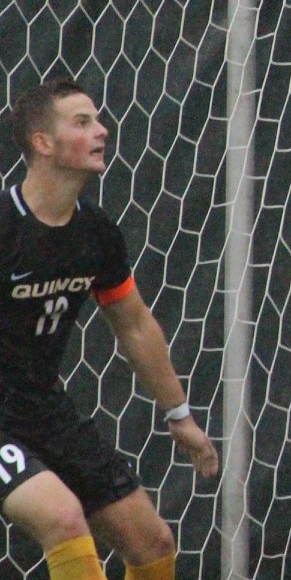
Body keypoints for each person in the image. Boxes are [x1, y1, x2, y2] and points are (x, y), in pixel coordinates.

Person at [1, 78, 218, 580]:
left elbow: (135, 326)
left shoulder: (96, 233)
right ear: (42, 143)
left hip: (44, 408)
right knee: (62, 517)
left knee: (152, 541)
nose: (102, 130)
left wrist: (179, 414)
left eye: (98, 119)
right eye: (82, 122)